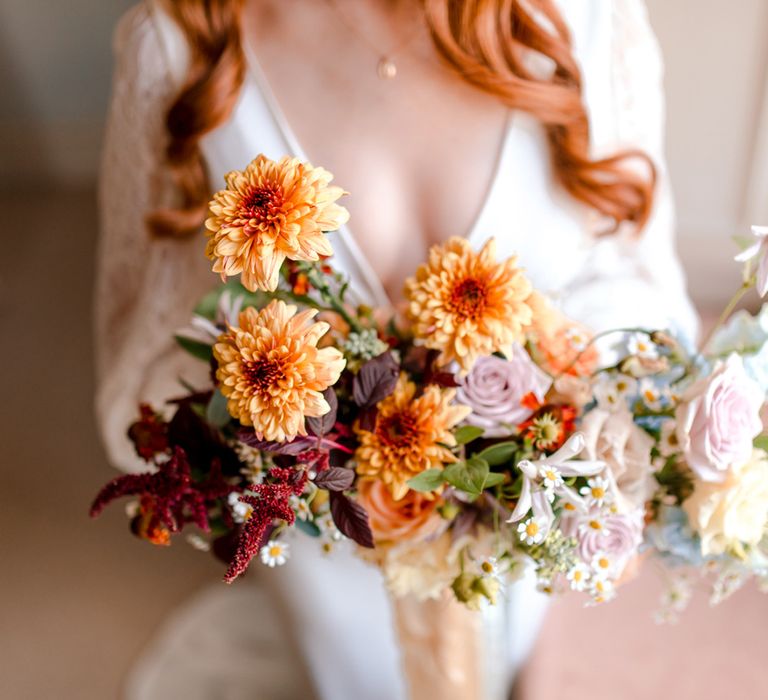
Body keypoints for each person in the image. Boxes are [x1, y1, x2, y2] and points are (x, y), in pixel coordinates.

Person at [96, 1, 699, 698]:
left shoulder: (591, 17)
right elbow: (144, 342)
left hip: (524, 528)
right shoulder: (177, 42)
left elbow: (639, 278)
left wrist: (539, 402)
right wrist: (295, 416)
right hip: (332, 559)